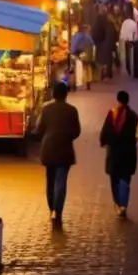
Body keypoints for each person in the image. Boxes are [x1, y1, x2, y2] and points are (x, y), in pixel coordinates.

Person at [34, 81, 82, 227]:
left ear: (53, 94)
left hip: (48, 149)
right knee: (61, 180)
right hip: (65, 149)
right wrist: (66, 136)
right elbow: (77, 131)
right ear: (66, 94)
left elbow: (39, 128)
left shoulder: (46, 109)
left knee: (50, 179)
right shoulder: (72, 110)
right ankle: (58, 210)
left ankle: (52, 208)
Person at [99, 90, 138, 218]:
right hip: (128, 152)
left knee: (114, 178)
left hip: (114, 152)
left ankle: (118, 203)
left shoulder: (112, 114)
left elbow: (105, 131)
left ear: (118, 99)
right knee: (125, 179)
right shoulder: (133, 116)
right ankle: (124, 204)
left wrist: (103, 141)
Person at [92, 5, 117, 81]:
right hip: (107, 43)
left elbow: (96, 33)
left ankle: (104, 74)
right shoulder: (110, 24)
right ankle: (107, 74)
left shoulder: (99, 21)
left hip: (102, 43)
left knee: (102, 60)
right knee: (107, 59)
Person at [71, 23, 96, 90]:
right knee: (87, 67)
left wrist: (73, 52)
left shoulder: (79, 35)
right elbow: (92, 44)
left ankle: (79, 82)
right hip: (87, 54)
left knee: (82, 68)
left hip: (83, 53)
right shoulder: (87, 36)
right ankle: (88, 82)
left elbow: (75, 45)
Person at [119, 5, 138, 76]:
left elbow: (122, 32)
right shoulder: (133, 23)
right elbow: (136, 32)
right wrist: (136, 39)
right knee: (132, 55)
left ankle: (128, 67)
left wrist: (122, 38)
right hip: (132, 40)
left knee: (127, 55)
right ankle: (132, 68)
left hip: (126, 40)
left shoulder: (124, 23)